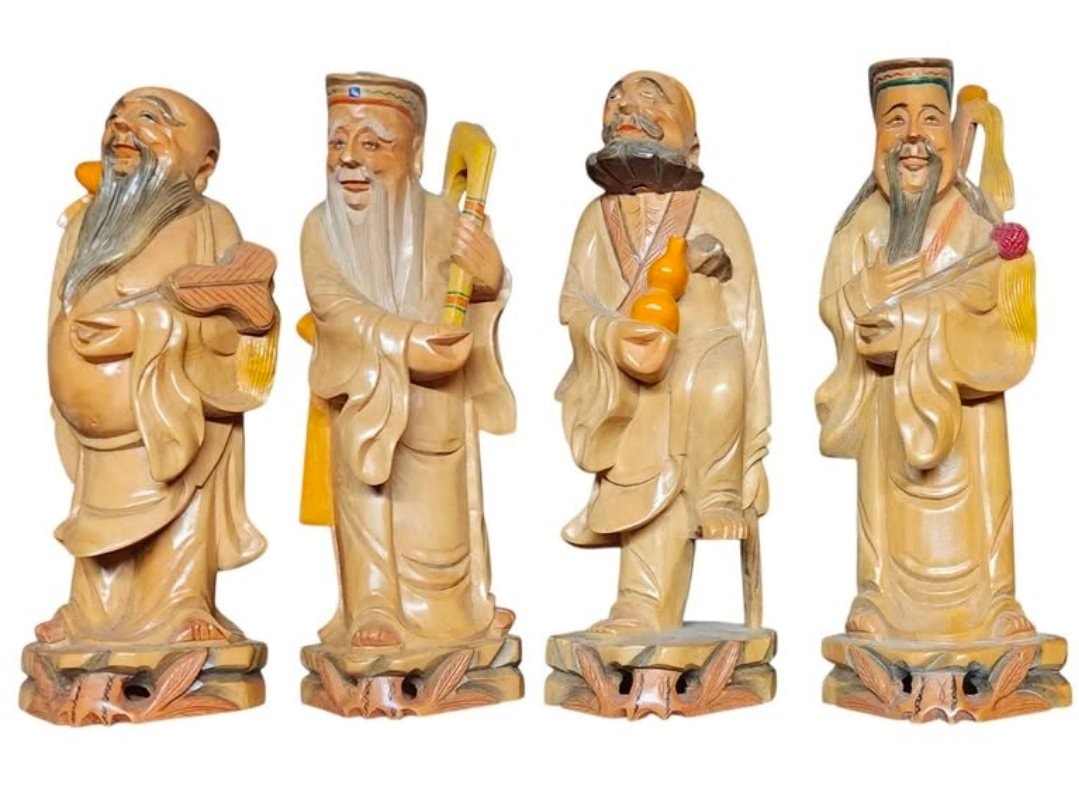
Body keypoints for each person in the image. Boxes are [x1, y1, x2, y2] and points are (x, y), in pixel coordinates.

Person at [38, 87, 276, 646]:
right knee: (99, 517)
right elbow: (59, 305)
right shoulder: (88, 221)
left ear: (204, 166)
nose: (123, 129)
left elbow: (239, 320)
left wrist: (148, 327)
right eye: (115, 118)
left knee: (180, 503)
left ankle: (182, 605)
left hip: (175, 408)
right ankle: (89, 612)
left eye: (150, 120)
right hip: (98, 426)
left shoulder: (210, 222)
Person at [816, 58, 1037, 642]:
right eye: (895, 120)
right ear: (876, 135)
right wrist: (864, 296)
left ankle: (996, 598)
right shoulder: (862, 224)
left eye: (932, 118)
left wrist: (917, 321)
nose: (913, 136)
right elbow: (833, 304)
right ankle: (877, 594)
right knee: (880, 485)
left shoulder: (976, 219)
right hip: (886, 400)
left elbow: (989, 292)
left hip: (964, 402)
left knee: (984, 478)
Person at [300, 73, 515, 649]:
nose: (350, 159)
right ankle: (374, 606)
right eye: (337, 141)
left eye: (372, 144)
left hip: (443, 404)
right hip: (368, 394)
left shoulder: (453, 221)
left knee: (449, 519)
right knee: (369, 491)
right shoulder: (319, 229)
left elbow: (483, 299)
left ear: (415, 153)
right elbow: (333, 307)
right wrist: (405, 341)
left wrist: (490, 278)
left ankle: (465, 607)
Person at [557, 71, 771, 633]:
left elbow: (748, 320)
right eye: (616, 100)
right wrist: (612, 336)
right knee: (645, 445)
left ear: (693, 144)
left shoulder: (714, 209)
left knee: (718, 371)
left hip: (705, 370)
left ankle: (717, 492)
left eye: (651, 98)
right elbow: (574, 302)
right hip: (627, 377)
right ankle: (641, 605)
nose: (627, 108)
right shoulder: (595, 218)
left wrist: (751, 451)